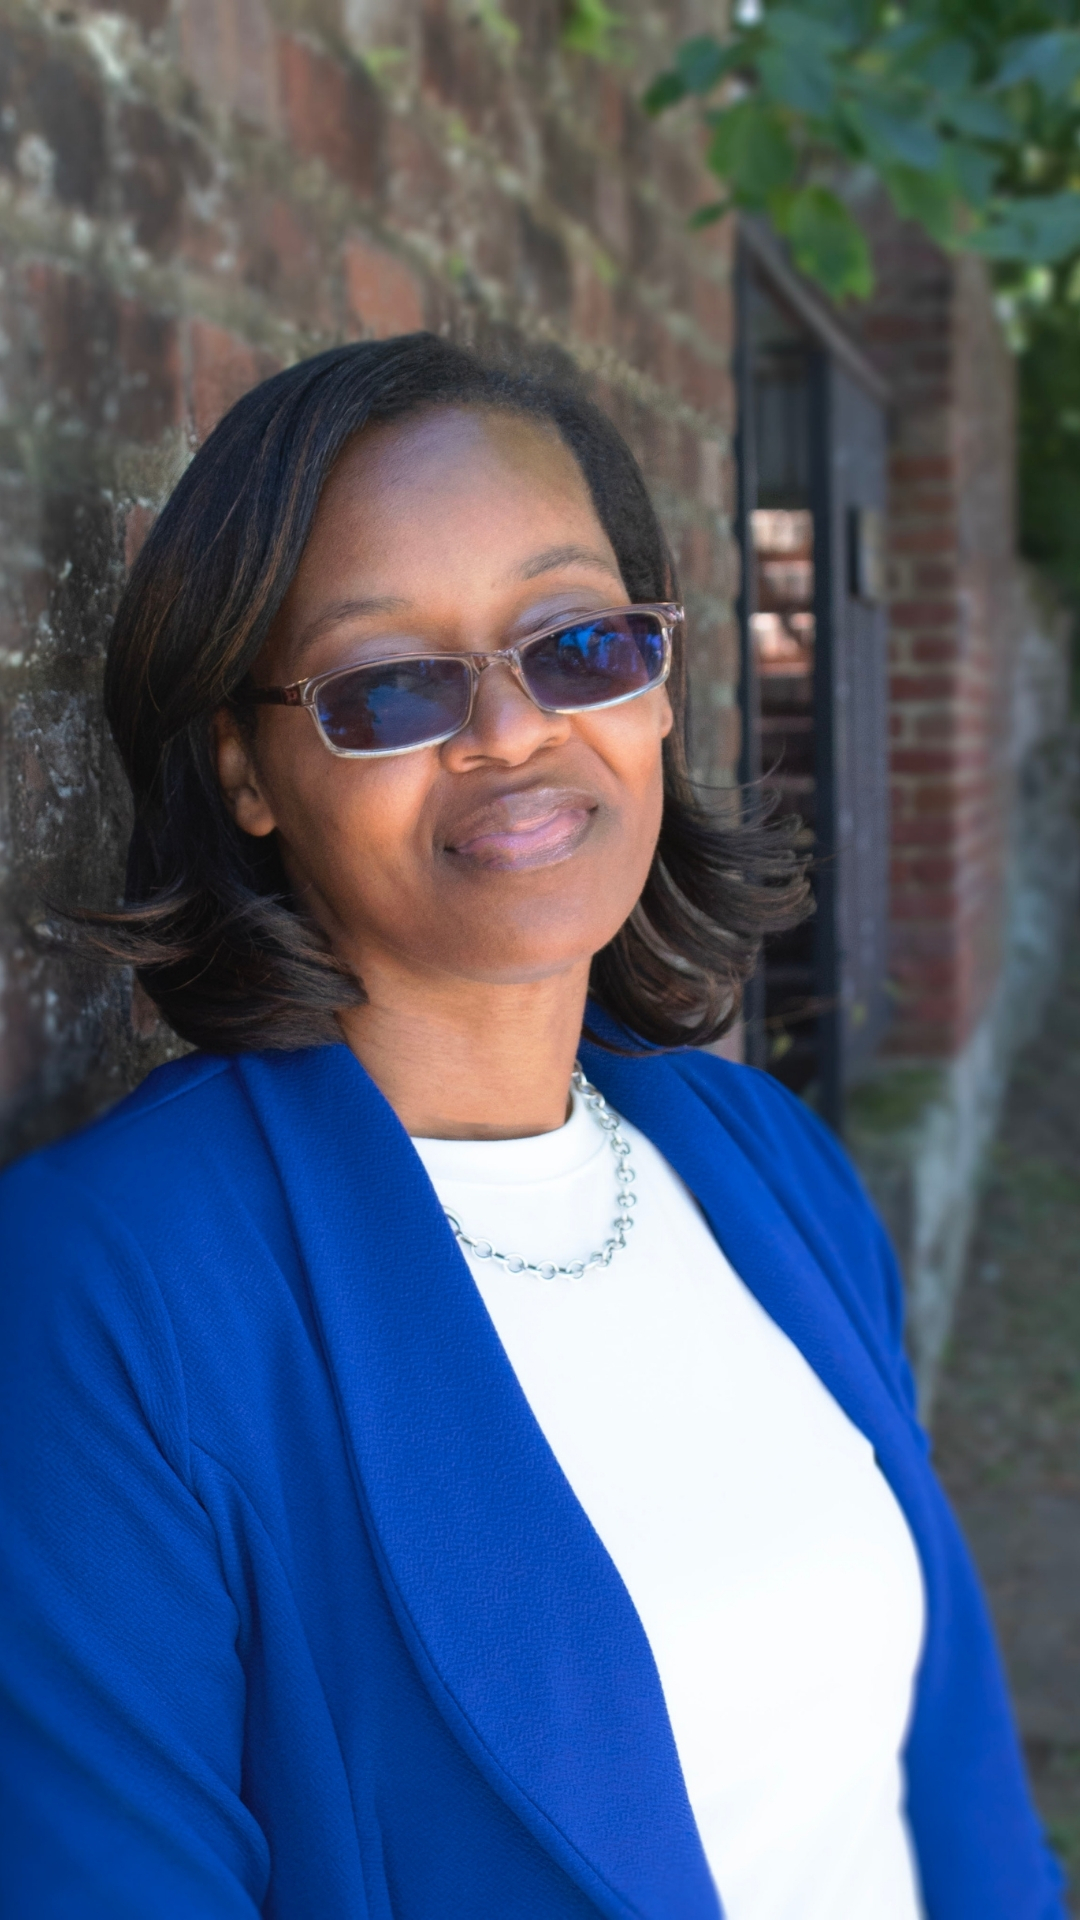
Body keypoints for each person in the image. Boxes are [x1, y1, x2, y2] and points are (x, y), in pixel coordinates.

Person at [0, 334, 1063, 1920]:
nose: (510, 729)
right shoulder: (113, 1290)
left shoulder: (766, 1161)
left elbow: (948, 1780)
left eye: (578, 646)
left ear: (657, 681)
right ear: (246, 772)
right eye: (389, 686)